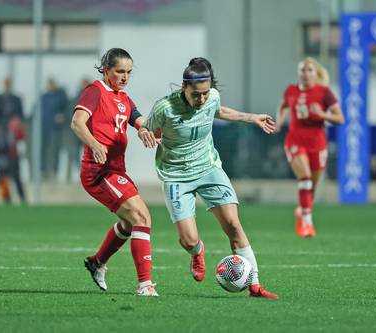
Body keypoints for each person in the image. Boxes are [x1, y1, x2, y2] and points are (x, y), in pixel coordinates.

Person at [138, 59, 278, 299]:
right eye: (196, 94)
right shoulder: (165, 107)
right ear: (184, 87)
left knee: (234, 225)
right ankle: (197, 252)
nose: (201, 99)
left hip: (208, 169)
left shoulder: (212, 97)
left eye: (205, 93)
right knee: (188, 239)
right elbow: (146, 127)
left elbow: (219, 111)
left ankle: (255, 285)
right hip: (176, 176)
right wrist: (144, 133)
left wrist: (251, 117)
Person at [70, 48, 159, 296]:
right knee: (142, 217)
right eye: (120, 71)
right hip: (99, 171)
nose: (125, 77)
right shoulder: (95, 91)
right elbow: (77, 122)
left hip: (115, 169)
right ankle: (145, 285)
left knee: (130, 223)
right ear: (106, 69)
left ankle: (97, 262)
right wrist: (94, 143)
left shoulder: (123, 97)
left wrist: (143, 129)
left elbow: (139, 119)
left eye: (129, 72)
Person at [275, 57, 344, 238]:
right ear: (298, 73)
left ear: (316, 73)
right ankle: (307, 223)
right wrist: (279, 122)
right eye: (302, 70)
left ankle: (302, 211)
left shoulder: (324, 93)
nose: (305, 73)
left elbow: (340, 118)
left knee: (311, 186)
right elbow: (283, 106)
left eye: (309, 70)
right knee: (304, 178)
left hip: (317, 143)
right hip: (295, 140)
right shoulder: (291, 90)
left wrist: (322, 114)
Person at [41, 78, 68, 179]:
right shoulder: (43, 97)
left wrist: (62, 116)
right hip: (44, 127)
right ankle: (43, 171)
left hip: (56, 129)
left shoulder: (60, 96)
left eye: (52, 84)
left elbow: (67, 109)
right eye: (49, 84)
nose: (51, 86)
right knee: (43, 150)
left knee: (55, 149)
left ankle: (54, 171)